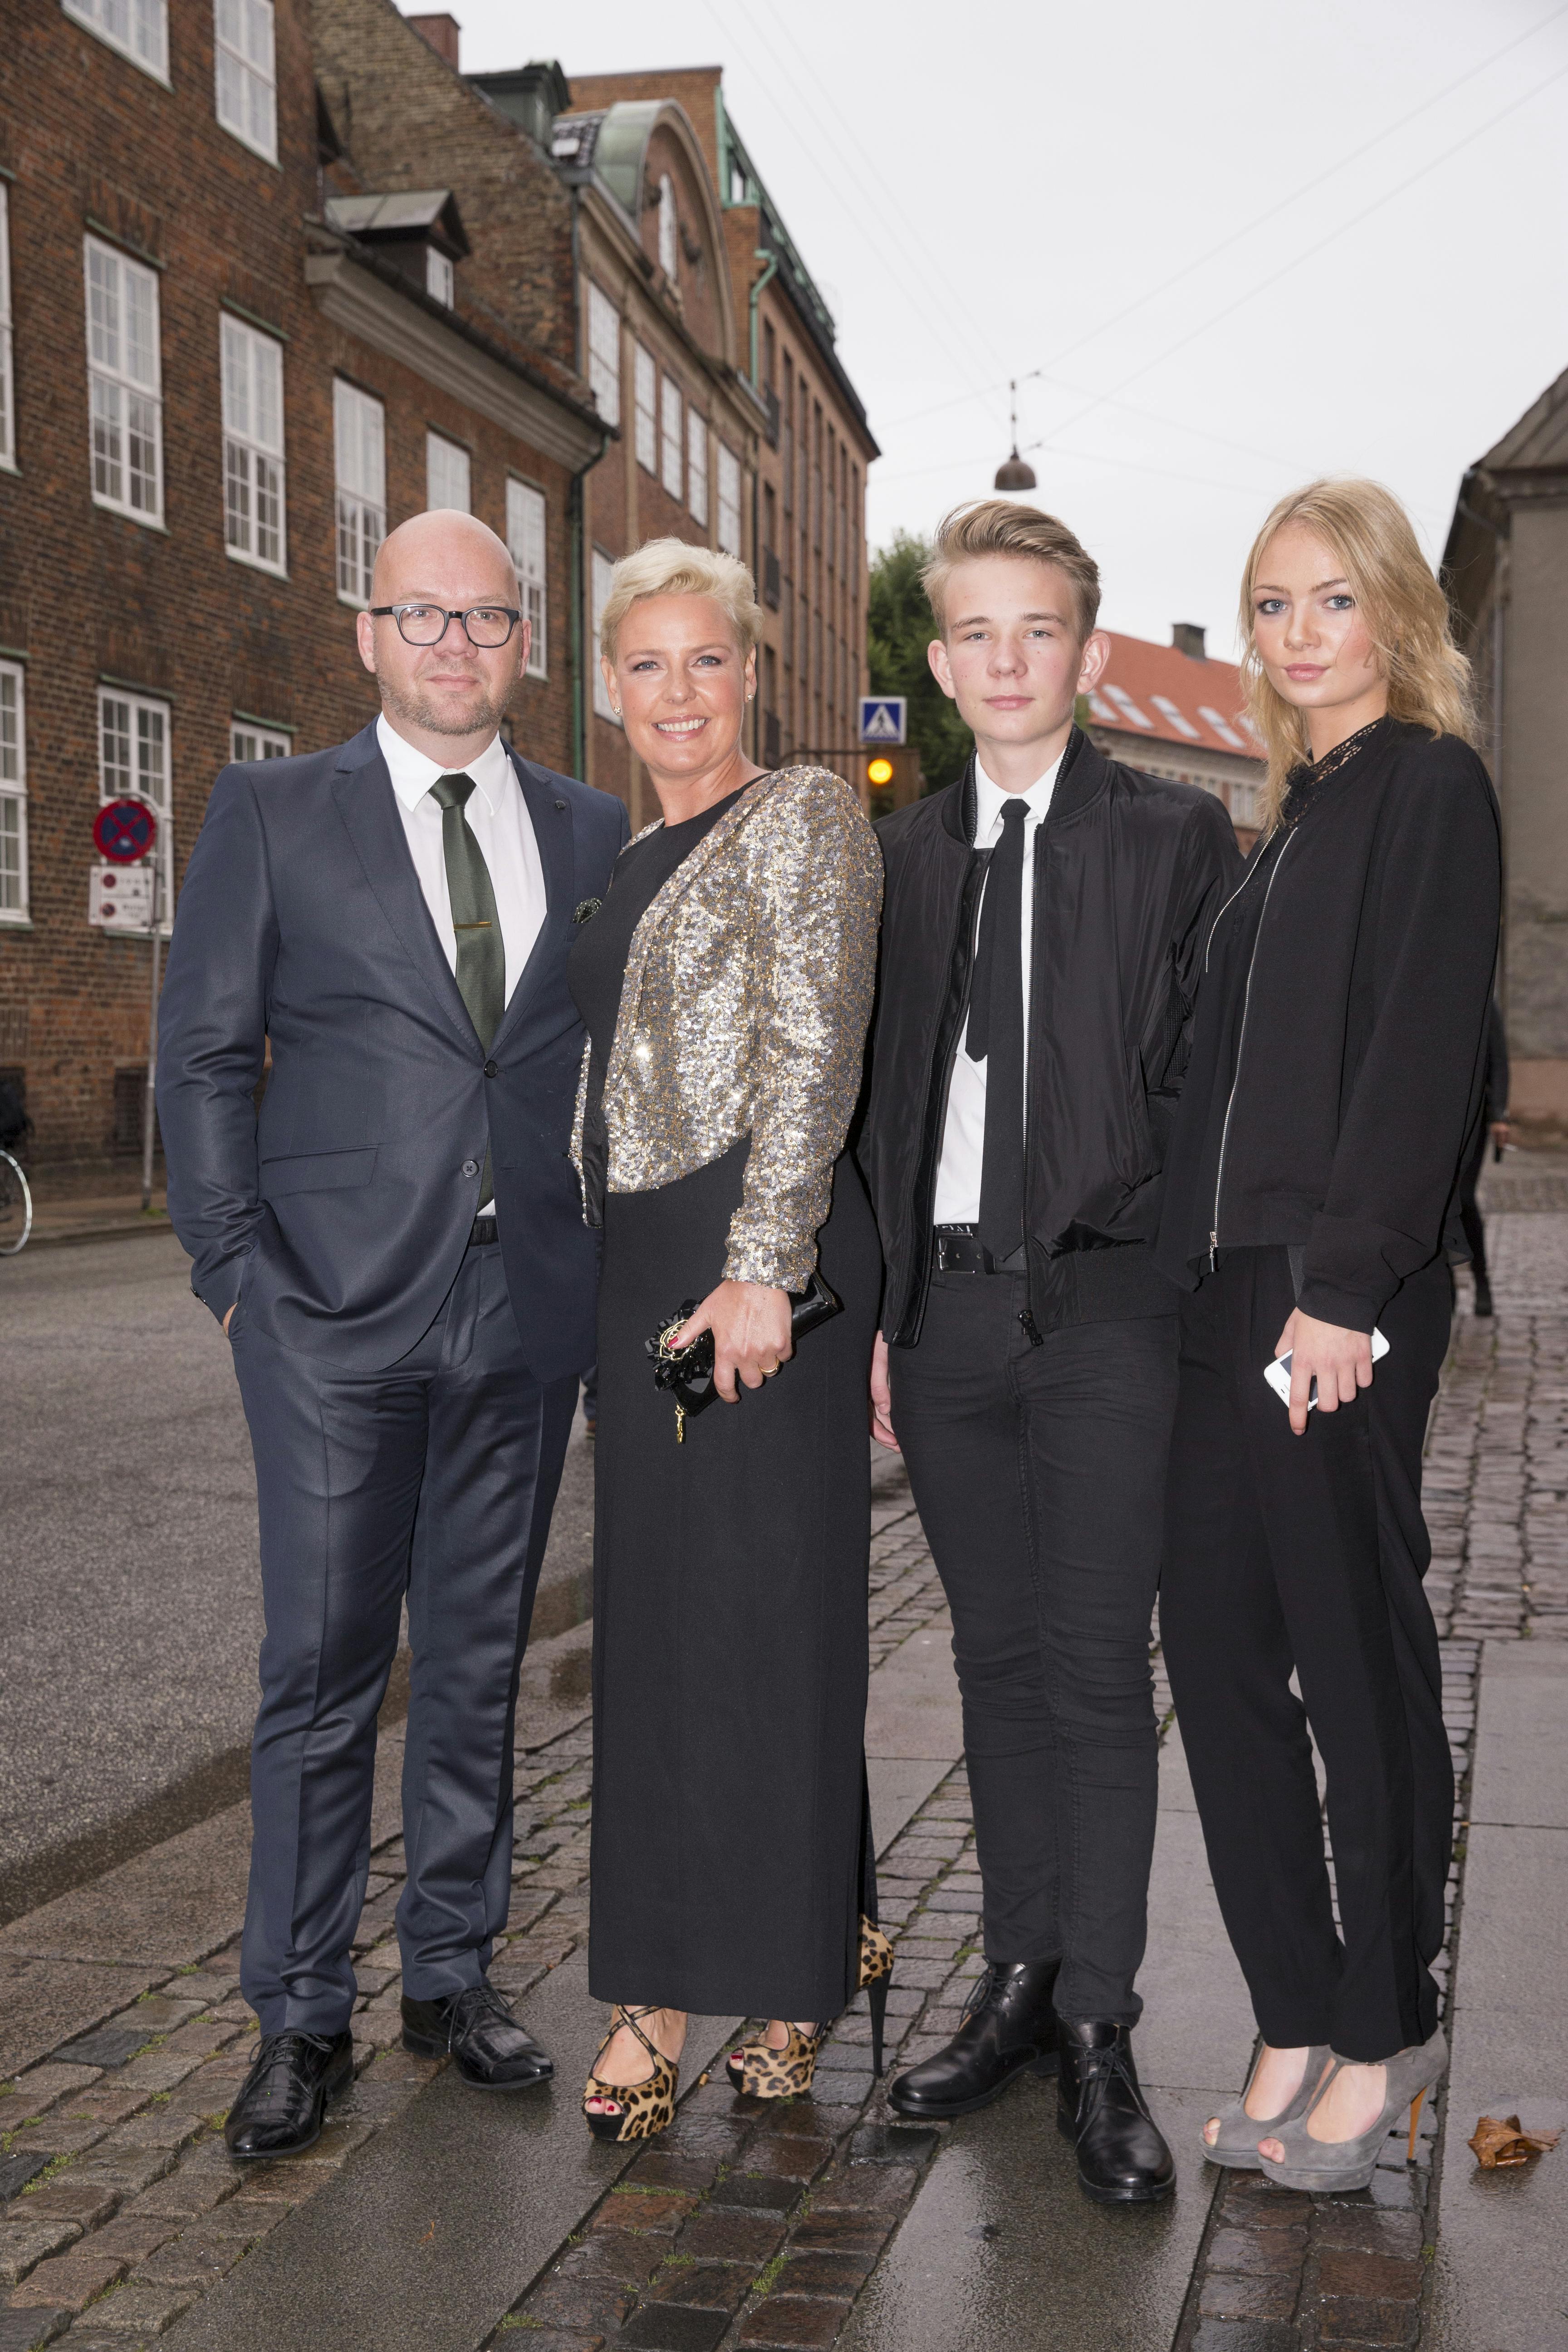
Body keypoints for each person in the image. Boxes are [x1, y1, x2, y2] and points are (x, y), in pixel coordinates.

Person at [157, 511, 627, 2158]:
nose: (452, 644)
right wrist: (235, 1274)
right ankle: (299, 2014)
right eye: (420, 615)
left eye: (484, 617)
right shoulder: (274, 812)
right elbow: (203, 1053)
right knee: (320, 1672)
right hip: (329, 1318)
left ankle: (449, 1970)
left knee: (481, 1663)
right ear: (367, 634)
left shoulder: (590, 827)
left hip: (525, 1310)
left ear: (524, 644)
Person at [857, 499, 1238, 2204]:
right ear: (939, 664)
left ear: (1081, 652)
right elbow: (877, 1098)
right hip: (945, 1318)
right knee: (996, 1662)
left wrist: (1161, 1276)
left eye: (1038, 630)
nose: (1006, 660)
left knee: (1093, 1671)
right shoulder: (902, 857)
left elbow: (1204, 1086)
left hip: (1101, 1309)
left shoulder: (1173, 839)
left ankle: (1098, 2024)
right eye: (976, 633)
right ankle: (1015, 1978)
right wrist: (883, 1308)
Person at [1154, 479, 1500, 2193]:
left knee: (1352, 1653)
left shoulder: (1428, 787)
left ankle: (1382, 2025)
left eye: (1332, 599)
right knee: (1217, 1646)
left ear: (1395, 614)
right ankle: (1292, 2005)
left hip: (1328, 1291)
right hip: (1229, 1286)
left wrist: (1348, 1287)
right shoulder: (1290, 817)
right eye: (1274, 604)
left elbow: (1424, 1045)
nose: (1300, 634)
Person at [568, 539, 886, 2141]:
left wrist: (762, 1268)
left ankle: (762, 1981)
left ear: (751, 672)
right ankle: (767, 1938)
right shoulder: (634, 852)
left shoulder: (805, 815)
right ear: (609, 684)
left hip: (756, 1257)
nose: (679, 692)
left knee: (764, 1623)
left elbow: (814, 1044)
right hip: (641, 1263)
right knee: (662, 1631)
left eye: (708, 659)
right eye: (648, 663)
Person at [1457, 998, 1509, 1317]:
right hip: (1433, 1122)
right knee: (1435, 1203)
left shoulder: (1484, 1001)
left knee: (1464, 1199)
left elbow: (1499, 1061)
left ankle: (1482, 1279)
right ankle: (1445, 1285)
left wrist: (1499, 1114)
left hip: (1475, 1117)